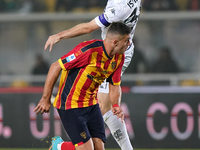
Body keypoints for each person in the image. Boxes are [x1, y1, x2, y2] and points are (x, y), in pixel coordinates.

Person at [44, 0, 142, 149]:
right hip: (115, 49)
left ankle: (61, 146)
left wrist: (60, 35)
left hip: (115, 51)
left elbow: (88, 27)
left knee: (103, 105)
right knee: (105, 106)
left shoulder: (120, 8)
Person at [34, 22, 131, 150]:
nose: (129, 44)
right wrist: (45, 98)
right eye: (127, 40)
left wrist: (115, 104)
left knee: (99, 148)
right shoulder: (88, 51)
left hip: (91, 105)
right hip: (71, 105)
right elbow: (55, 66)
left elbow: (114, 85)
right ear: (115, 42)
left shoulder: (119, 57)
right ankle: (59, 146)